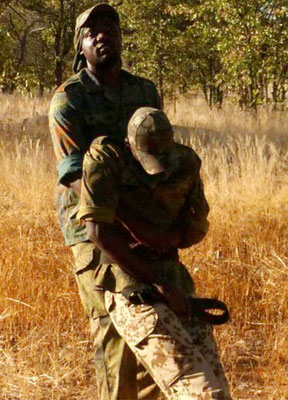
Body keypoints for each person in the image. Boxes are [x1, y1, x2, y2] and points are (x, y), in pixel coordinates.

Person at [78, 106, 231, 399]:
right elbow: (97, 232)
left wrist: (170, 237)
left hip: (176, 284)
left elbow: (198, 224)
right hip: (130, 288)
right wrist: (156, 283)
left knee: (218, 390)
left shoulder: (184, 162)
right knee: (202, 393)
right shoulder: (105, 160)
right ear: (131, 146)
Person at [49, 5, 161, 398]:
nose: (102, 35)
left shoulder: (143, 92)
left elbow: (157, 157)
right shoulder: (68, 99)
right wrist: (128, 223)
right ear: (80, 45)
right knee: (115, 334)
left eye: (109, 28)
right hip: (90, 229)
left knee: (158, 331)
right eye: (91, 31)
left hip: (144, 225)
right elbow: (75, 175)